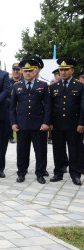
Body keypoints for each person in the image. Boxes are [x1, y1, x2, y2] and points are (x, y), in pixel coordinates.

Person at [10, 59, 50, 184]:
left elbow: (48, 106)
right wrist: (13, 123)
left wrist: (46, 123)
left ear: (35, 71)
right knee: (22, 151)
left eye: (30, 71)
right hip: (22, 125)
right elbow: (11, 107)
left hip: (39, 125)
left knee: (40, 151)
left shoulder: (43, 85)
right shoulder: (16, 86)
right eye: (25, 71)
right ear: (22, 72)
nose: (27, 73)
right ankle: (21, 173)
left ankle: (40, 173)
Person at [49, 57, 83, 186]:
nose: (63, 72)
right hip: (57, 124)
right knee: (58, 150)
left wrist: (81, 123)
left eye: (66, 70)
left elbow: (82, 107)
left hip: (74, 125)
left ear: (72, 70)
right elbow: (49, 107)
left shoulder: (80, 86)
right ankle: (58, 173)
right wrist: (49, 122)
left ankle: (75, 174)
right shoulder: (53, 87)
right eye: (61, 70)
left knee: (75, 150)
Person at [8, 63, 22, 144]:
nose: (16, 71)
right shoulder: (7, 82)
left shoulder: (24, 81)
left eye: (18, 70)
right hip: (10, 106)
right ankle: (10, 136)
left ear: (21, 71)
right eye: (14, 70)